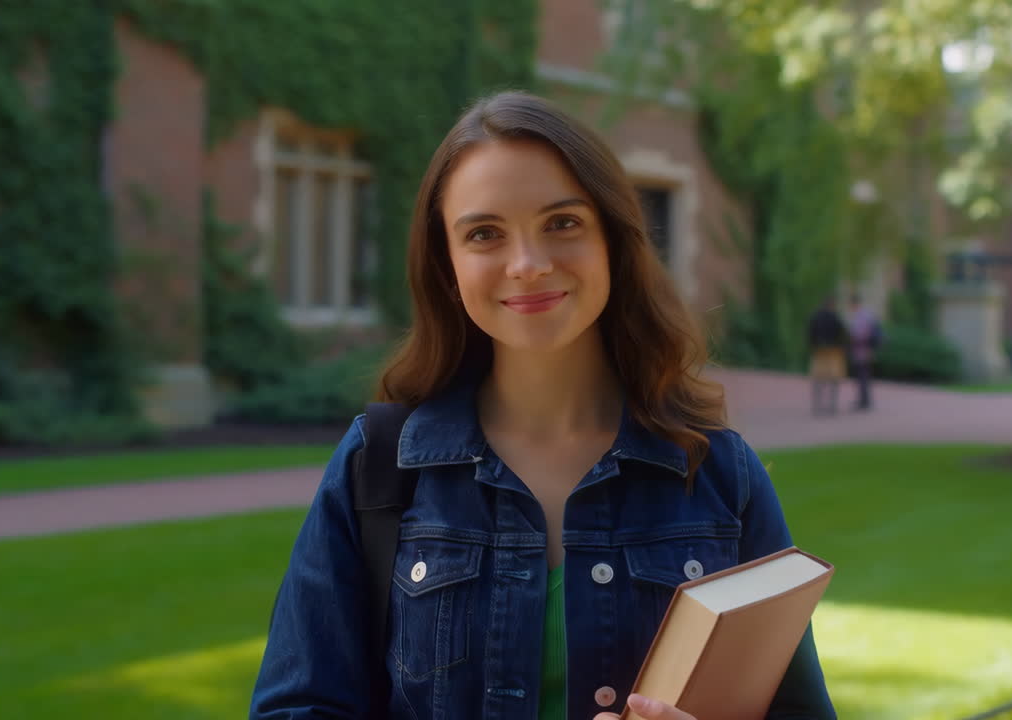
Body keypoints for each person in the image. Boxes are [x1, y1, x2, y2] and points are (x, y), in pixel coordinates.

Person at [249, 92, 836, 720]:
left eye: (562, 223)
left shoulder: (720, 472)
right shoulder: (379, 466)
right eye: (484, 234)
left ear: (613, 239)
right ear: (448, 266)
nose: (527, 265)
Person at [807, 298, 848, 415]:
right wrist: (842, 348)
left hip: (819, 351)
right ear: (832, 305)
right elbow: (842, 334)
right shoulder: (835, 317)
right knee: (834, 379)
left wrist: (813, 346)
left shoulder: (816, 316)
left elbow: (810, 332)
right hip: (834, 351)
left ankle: (817, 404)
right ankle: (832, 405)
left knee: (818, 378)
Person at [847, 294, 881, 411]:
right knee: (864, 374)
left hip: (861, 350)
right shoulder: (867, 314)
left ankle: (864, 400)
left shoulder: (860, 316)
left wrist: (853, 338)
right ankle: (864, 399)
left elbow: (859, 333)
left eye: (851, 304)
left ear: (854, 304)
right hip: (866, 350)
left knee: (862, 375)